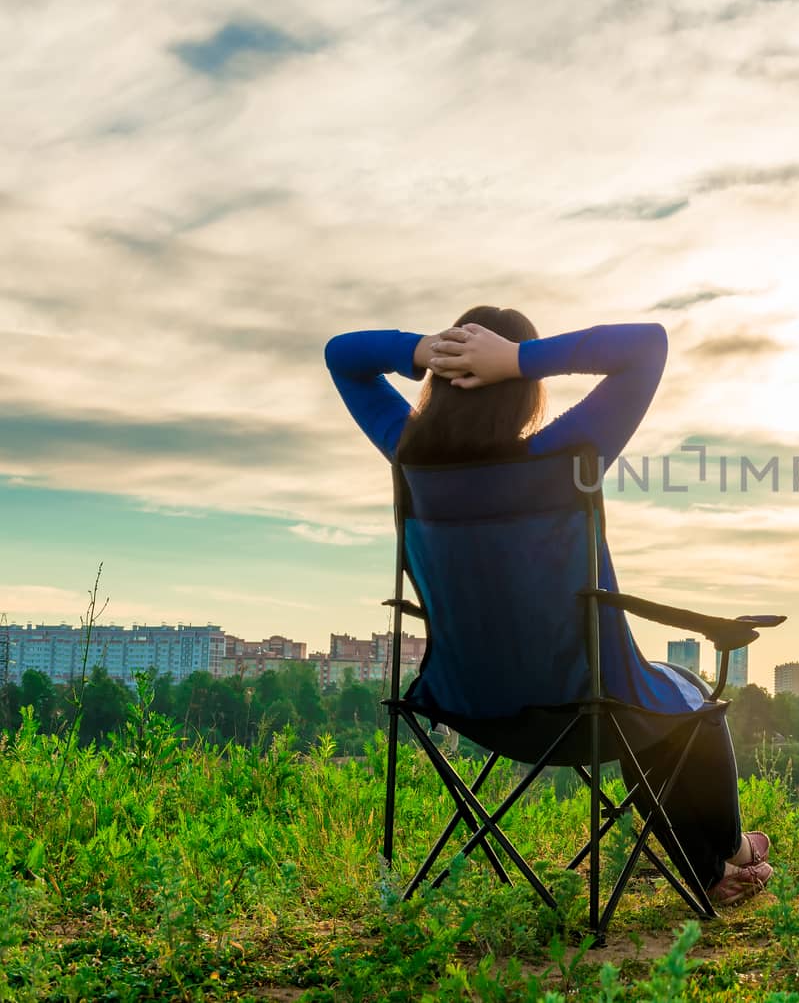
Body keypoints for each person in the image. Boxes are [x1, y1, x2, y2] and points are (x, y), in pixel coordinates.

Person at [324, 310, 772, 905]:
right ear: (526, 391)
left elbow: (342, 353)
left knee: (664, 698)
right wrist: (516, 358)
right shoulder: (563, 455)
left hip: (470, 704)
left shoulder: (411, 456)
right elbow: (646, 345)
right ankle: (728, 856)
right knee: (684, 700)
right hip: (584, 705)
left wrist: (427, 349)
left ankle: (720, 868)